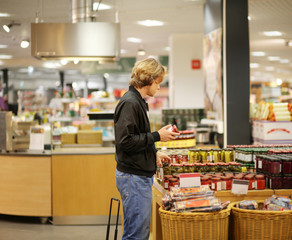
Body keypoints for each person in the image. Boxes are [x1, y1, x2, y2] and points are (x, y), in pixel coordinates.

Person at [114, 57, 179, 240]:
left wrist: (153, 152)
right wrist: (157, 136)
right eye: (158, 82)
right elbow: (125, 142)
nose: (159, 87)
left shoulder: (138, 101)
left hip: (137, 176)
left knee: (138, 232)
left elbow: (135, 137)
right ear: (149, 79)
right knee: (136, 235)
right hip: (133, 177)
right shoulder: (130, 103)